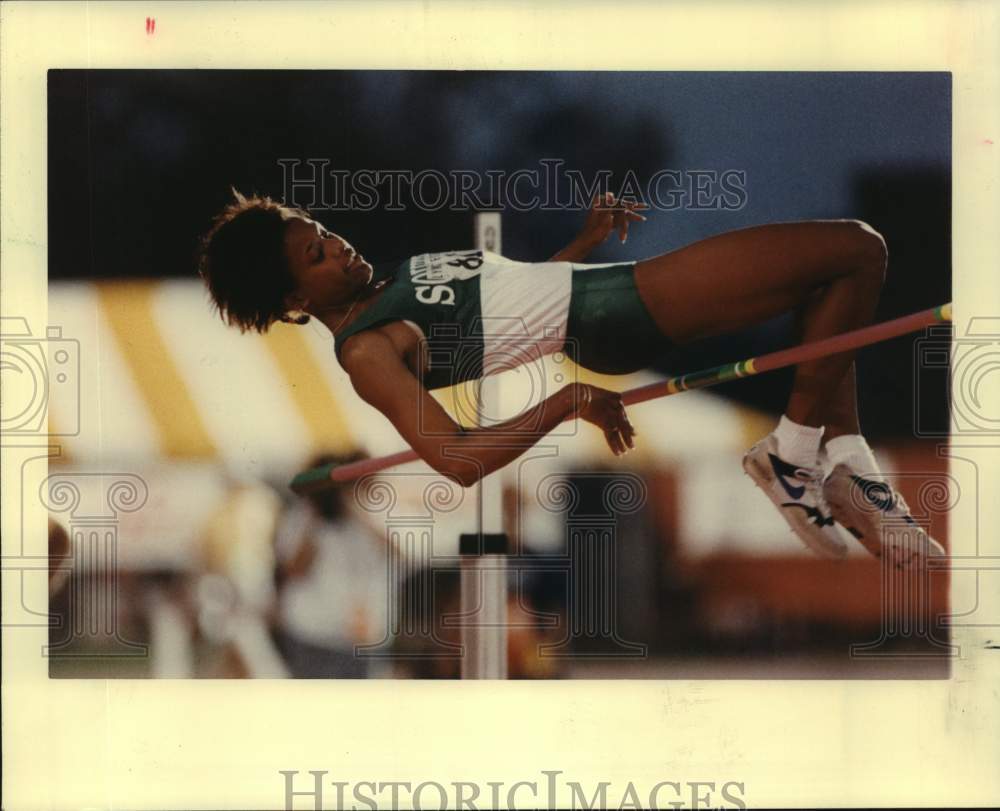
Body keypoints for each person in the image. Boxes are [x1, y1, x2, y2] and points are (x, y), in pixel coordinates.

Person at [198, 189, 942, 568]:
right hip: (621, 310)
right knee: (856, 249)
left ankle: (832, 456)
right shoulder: (364, 351)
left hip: (607, 291)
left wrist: (578, 244)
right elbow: (456, 460)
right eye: (316, 257)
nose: (339, 248)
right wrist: (568, 399)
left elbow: (514, 305)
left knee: (832, 285)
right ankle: (802, 455)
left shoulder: (389, 286)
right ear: (294, 300)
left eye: (325, 233)